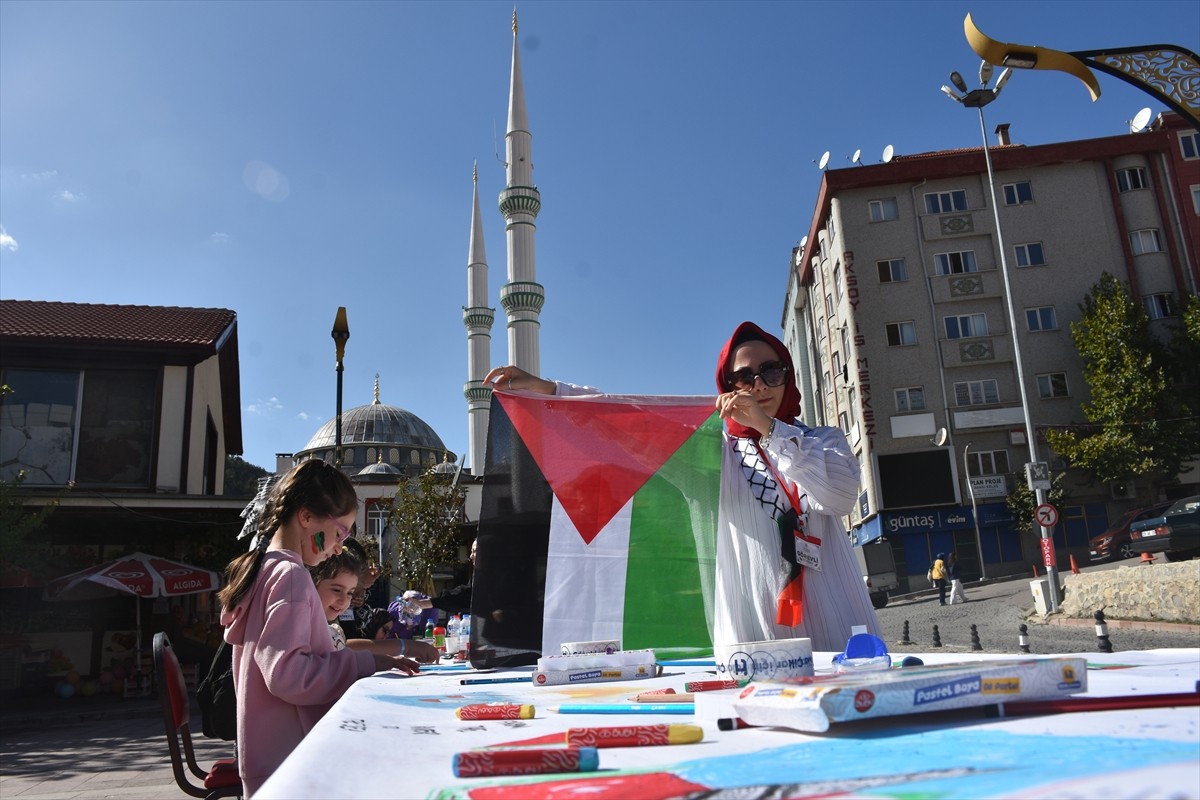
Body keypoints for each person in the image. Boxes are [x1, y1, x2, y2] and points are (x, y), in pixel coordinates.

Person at [482, 320, 882, 652]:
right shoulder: (711, 453)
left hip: (834, 611)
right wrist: (553, 392)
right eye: (744, 378)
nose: (759, 386)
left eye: (771, 371)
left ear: (787, 375)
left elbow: (841, 497)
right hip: (756, 622)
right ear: (728, 387)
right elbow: (628, 421)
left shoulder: (822, 441)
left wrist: (771, 431)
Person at [217, 460, 419, 797]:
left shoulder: (266, 569)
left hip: (269, 756)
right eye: (341, 532)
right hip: (293, 762)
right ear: (307, 517)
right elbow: (289, 676)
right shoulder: (292, 578)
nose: (340, 546)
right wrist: (367, 663)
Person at [311, 547, 439, 662]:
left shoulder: (324, 624)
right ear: (313, 583)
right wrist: (405, 647)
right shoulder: (305, 625)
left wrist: (391, 662)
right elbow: (346, 648)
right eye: (337, 590)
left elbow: (344, 650)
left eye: (350, 593)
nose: (344, 600)